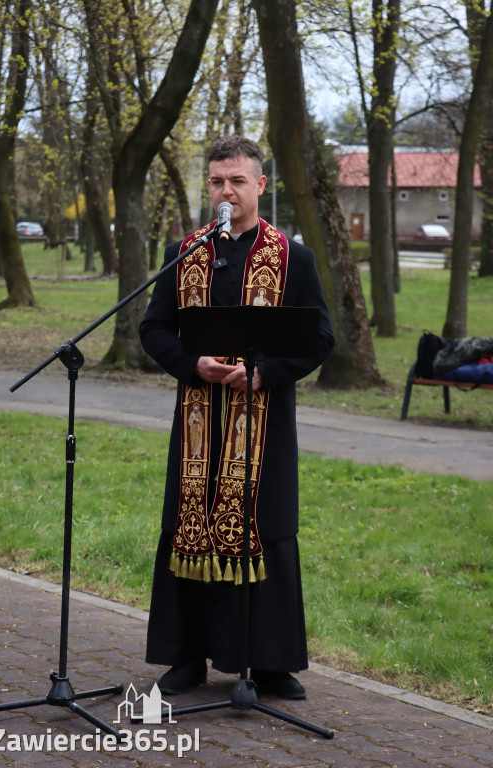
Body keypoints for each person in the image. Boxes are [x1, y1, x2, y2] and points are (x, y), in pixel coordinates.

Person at [139, 135, 334, 700]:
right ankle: (187, 659)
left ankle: (269, 664)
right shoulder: (184, 253)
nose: (226, 191)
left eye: (237, 181)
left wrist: (264, 373)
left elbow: (319, 338)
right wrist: (189, 364)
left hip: (264, 425)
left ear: (260, 185)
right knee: (189, 524)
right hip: (199, 424)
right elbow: (153, 328)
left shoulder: (294, 258)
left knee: (265, 529)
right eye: (217, 181)